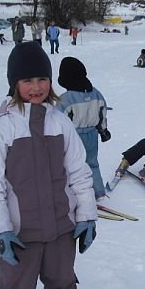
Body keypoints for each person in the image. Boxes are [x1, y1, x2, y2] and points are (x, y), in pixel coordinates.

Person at [0, 41, 97, 289]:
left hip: (61, 227)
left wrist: (86, 216)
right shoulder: (0, 126)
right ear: (14, 83)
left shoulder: (60, 122)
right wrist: (0, 229)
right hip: (21, 233)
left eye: (42, 79)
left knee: (63, 285)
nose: (36, 87)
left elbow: (79, 173)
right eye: (27, 81)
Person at [57, 56, 110, 201]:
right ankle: (98, 192)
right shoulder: (96, 93)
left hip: (73, 138)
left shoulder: (66, 98)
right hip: (92, 134)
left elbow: (58, 120)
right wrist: (103, 130)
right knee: (92, 163)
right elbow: (102, 112)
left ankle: (78, 195)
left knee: (73, 166)